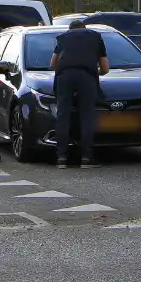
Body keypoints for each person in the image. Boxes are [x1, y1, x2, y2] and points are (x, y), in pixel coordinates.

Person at [49, 19, 109, 169]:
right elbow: (105, 68)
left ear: (70, 30)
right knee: (87, 116)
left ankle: (61, 157)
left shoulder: (63, 37)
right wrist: (96, 72)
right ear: (85, 28)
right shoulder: (95, 37)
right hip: (86, 76)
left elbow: (52, 64)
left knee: (63, 115)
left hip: (65, 76)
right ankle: (87, 158)